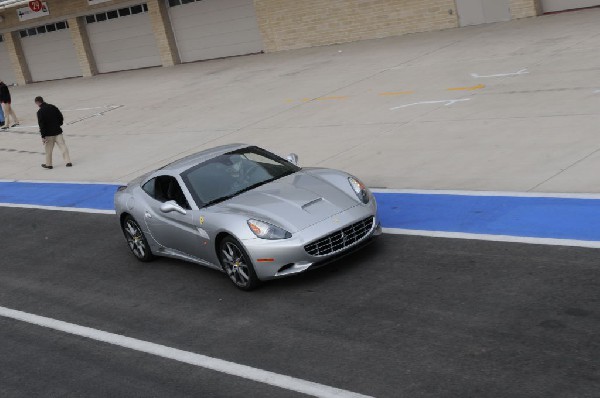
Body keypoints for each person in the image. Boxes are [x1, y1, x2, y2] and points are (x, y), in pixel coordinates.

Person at [35, 96, 72, 169]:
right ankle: (68, 161)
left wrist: (43, 136)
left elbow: (41, 125)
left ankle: (49, 164)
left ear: (37, 103)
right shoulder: (52, 107)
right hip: (57, 131)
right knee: (63, 146)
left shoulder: (40, 112)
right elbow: (60, 116)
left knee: (48, 150)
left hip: (49, 134)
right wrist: (59, 124)